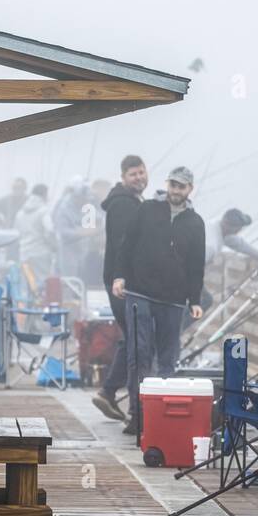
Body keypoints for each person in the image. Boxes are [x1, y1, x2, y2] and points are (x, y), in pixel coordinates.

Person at [112, 172, 205, 434]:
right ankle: (137, 415)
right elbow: (126, 244)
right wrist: (119, 276)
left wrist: (195, 300)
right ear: (167, 186)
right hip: (138, 291)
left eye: (181, 186)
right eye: (172, 185)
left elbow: (197, 264)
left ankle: (160, 417)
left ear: (190, 189)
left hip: (174, 299)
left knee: (168, 359)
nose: (176, 190)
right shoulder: (148, 209)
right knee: (138, 353)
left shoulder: (196, 222)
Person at [93, 156, 148, 421]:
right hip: (121, 283)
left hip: (121, 280)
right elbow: (126, 245)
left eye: (141, 172)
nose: (138, 177)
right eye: (133, 174)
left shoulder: (130, 202)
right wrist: (122, 277)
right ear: (123, 177)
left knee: (133, 339)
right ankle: (124, 402)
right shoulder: (123, 205)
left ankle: (110, 392)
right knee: (137, 342)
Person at [51, 176, 92, 280]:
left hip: (83, 251)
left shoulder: (86, 207)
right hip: (67, 251)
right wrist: (82, 233)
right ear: (76, 197)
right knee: (69, 280)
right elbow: (63, 232)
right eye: (83, 198)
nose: (86, 201)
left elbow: (95, 222)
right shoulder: (63, 208)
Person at [14, 183, 55, 283]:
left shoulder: (20, 213)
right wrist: (53, 246)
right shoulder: (43, 211)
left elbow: (16, 232)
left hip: (24, 253)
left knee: (26, 282)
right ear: (44, 194)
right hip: (40, 253)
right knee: (42, 283)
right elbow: (49, 230)